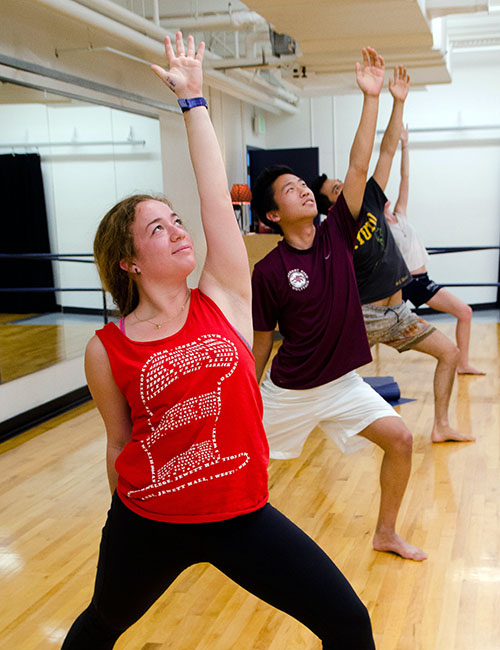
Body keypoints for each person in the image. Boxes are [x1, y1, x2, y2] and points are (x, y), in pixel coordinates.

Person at [60, 33, 375, 650]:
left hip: (240, 515)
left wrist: (194, 102)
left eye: (175, 219)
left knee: (348, 622)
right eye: (159, 228)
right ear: (128, 262)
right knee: (99, 626)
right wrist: (123, 523)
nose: (179, 231)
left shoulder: (225, 297)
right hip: (147, 520)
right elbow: (119, 441)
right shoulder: (107, 347)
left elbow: (212, 198)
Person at [251, 50, 426, 562]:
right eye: (290, 190)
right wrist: (248, 394)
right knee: (246, 461)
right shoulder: (269, 272)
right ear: (271, 215)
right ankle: (212, 530)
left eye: (303, 185)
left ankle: (386, 533)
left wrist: (372, 98)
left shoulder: (337, 234)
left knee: (400, 440)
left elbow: (360, 163)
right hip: (289, 390)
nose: (303, 190)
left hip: (344, 385)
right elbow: (263, 341)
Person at [312, 68, 474, 443]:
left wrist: (398, 102)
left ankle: (440, 425)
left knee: (449, 353)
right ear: (331, 205)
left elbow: (384, 152)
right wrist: (372, 98)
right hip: (365, 316)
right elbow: (360, 159)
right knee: (327, 376)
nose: (346, 184)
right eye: (337, 188)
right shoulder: (337, 225)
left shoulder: (371, 196)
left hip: (399, 312)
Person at [385, 125, 484, 375]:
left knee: (465, 311)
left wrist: (405, 145)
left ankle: (462, 364)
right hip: (403, 284)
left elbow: (405, 178)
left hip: (422, 281)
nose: (385, 197)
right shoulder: (380, 228)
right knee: (380, 331)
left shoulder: (400, 214)